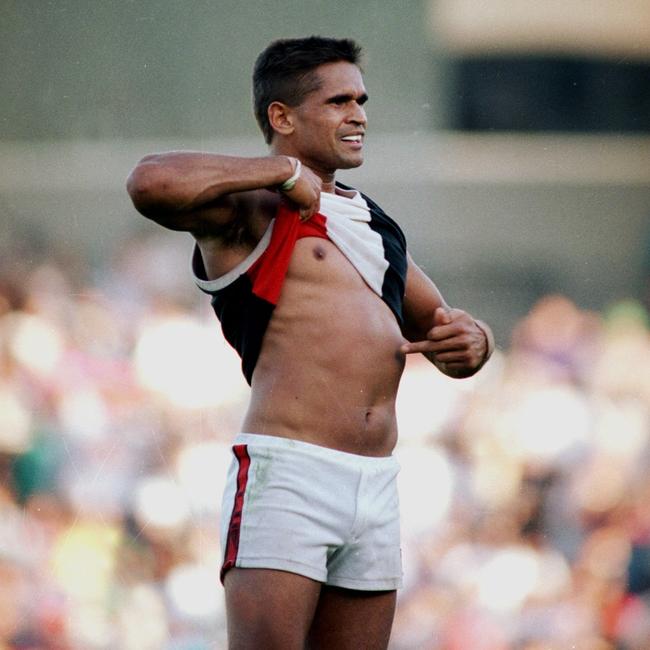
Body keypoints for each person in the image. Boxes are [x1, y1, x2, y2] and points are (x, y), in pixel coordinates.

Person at [126, 36, 494, 650]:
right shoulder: (252, 207)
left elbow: (448, 330)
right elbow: (149, 182)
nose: (360, 116)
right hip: (288, 472)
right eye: (339, 101)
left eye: (362, 100)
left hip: (376, 480)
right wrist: (283, 172)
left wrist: (475, 342)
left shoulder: (373, 224)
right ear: (282, 116)